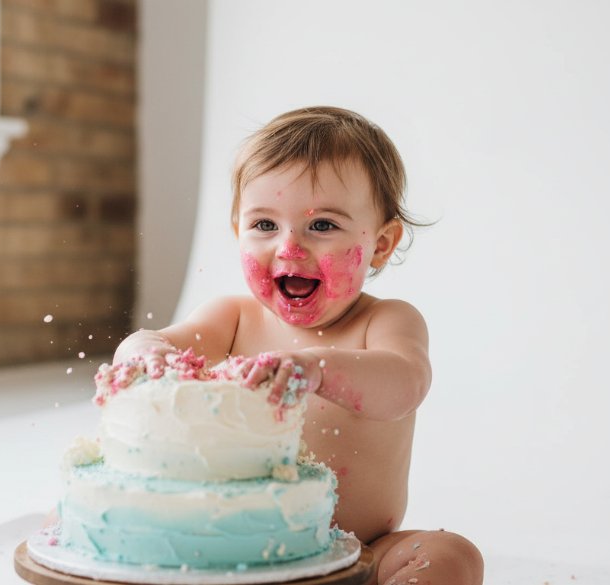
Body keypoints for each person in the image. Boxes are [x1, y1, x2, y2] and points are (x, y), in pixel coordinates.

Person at [114, 106, 484, 585]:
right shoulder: (231, 318)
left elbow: (405, 384)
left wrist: (318, 369)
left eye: (323, 225)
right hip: (230, 550)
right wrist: (145, 354)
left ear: (381, 243)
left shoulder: (384, 321)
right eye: (265, 225)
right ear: (237, 233)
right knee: (79, 526)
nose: (289, 248)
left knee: (451, 555)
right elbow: (154, 342)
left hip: (356, 554)